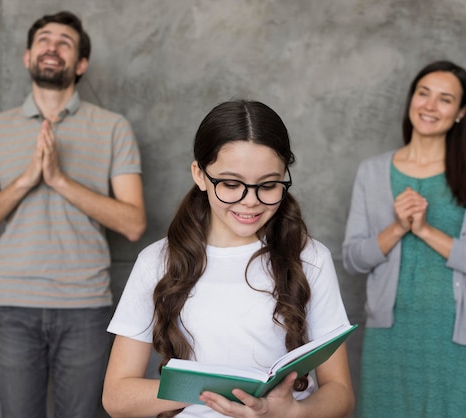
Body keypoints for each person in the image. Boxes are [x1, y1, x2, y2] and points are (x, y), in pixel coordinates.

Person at [102, 100, 355, 418]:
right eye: (232, 184)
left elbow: (341, 393)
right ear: (200, 175)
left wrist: (290, 412)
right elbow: (117, 397)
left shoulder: (310, 257)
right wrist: (217, 388)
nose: (250, 202)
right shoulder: (157, 261)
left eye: (268, 185)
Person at [0, 11, 146, 418]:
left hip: (86, 306)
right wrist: (28, 178)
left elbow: (133, 224)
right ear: (27, 57)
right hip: (13, 305)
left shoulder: (114, 128)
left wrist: (59, 180)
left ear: (80, 64)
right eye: (44, 39)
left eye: (65, 42)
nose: (52, 47)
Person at [342, 60, 466, 417]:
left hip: (456, 339)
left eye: (445, 99)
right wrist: (398, 227)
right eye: (423, 93)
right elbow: (354, 258)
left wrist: (426, 231)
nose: (430, 106)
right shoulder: (372, 172)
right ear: (410, 99)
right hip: (390, 339)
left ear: (461, 112)